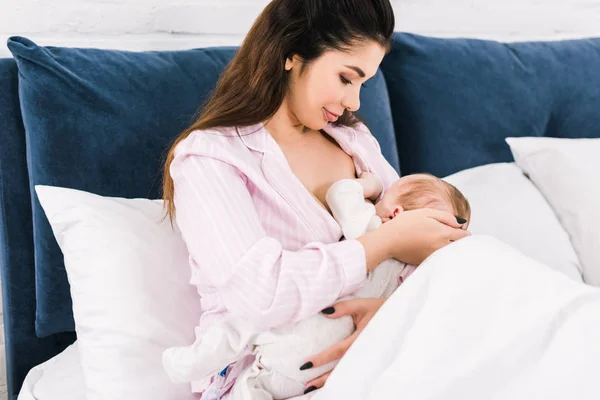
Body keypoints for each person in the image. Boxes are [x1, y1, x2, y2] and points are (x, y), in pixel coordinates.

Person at [161, 0, 471, 398]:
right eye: (346, 78)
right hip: (267, 378)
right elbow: (261, 296)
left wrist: (387, 319)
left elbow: (422, 252)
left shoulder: (354, 141)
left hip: (379, 361)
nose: (355, 102)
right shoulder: (211, 159)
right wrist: (383, 242)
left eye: (364, 83)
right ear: (292, 53)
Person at [162, 172, 472, 399]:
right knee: (255, 365)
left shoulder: (371, 228)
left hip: (300, 339)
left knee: (245, 324)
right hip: (330, 366)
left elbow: (340, 192)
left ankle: (191, 362)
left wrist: (370, 185)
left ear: (396, 213)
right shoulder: (419, 272)